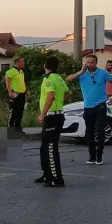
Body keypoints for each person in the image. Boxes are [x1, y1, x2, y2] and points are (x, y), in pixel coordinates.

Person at [67, 54, 112, 165]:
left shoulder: (103, 73)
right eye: (88, 62)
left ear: (96, 63)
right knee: (89, 132)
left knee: (100, 130)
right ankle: (92, 156)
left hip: (100, 105)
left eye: (92, 62)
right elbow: (68, 79)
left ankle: (99, 156)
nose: (90, 64)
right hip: (88, 106)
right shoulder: (83, 74)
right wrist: (80, 72)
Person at [35, 55, 70, 187]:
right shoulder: (59, 78)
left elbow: (50, 97)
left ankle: (56, 178)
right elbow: (68, 94)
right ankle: (47, 175)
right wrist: (61, 101)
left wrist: (42, 114)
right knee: (44, 148)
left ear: (45, 66)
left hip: (52, 116)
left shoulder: (48, 79)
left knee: (50, 148)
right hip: (57, 115)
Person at [5, 57, 28, 133]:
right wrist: (10, 92)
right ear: (17, 62)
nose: (24, 63)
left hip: (22, 94)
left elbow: (22, 82)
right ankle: (10, 129)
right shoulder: (10, 72)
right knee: (13, 112)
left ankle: (17, 129)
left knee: (20, 112)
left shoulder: (21, 72)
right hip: (15, 94)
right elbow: (7, 82)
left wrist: (26, 90)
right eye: (23, 61)